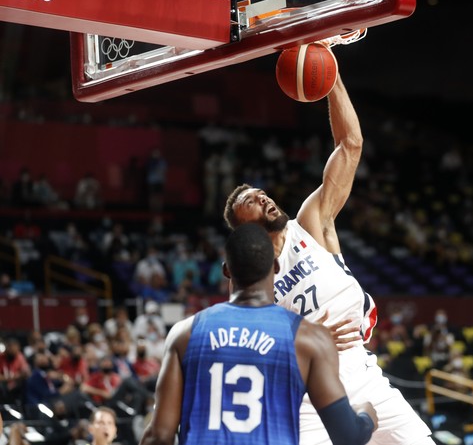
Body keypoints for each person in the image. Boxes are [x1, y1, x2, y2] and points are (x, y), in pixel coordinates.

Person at [224, 74, 434, 445]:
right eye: (251, 203)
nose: (264, 199)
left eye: (261, 193)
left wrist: (331, 76)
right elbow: (247, 347)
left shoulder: (310, 222)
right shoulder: (246, 273)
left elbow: (351, 145)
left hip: (361, 369)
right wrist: (308, 338)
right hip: (305, 392)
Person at [139, 223, 377, 445]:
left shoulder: (185, 333)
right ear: (275, 266)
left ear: (226, 270)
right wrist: (366, 415)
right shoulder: (308, 339)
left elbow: (159, 435)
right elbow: (348, 437)